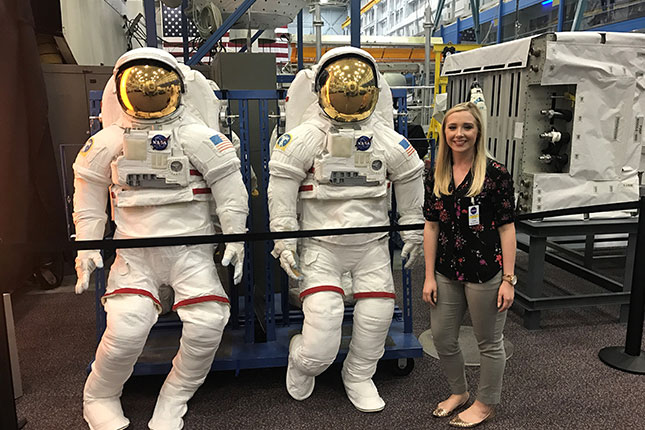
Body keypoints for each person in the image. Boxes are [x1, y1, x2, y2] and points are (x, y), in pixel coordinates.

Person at [72, 47, 248, 430]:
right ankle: (99, 395)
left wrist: (236, 237)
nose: (148, 96)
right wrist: (85, 247)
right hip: (136, 254)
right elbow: (87, 194)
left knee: (208, 320)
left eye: (158, 89)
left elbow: (230, 189)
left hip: (191, 251)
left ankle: (175, 395)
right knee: (126, 326)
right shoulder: (108, 140)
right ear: (121, 90)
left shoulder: (199, 137)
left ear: (178, 89)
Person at [268, 47, 424, 412]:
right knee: (324, 321)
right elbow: (282, 187)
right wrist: (285, 239)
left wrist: (414, 233)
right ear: (322, 88)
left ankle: (358, 374)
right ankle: (305, 361)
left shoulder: (386, 139)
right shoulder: (306, 136)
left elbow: (411, 183)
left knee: (377, 316)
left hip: (372, 247)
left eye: (358, 89)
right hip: (321, 247)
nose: (350, 96)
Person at [422, 101, 516, 428]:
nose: (459, 134)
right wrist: (428, 276)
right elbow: (431, 225)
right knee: (443, 337)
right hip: (446, 270)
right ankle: (459, 392)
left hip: (485, 271)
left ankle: (486, 402)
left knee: (489, 342)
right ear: (443, 132)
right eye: (452, 127)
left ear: (478, 132)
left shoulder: (496, 173)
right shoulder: (435, 169)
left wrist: (508, 279)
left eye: (467, 127)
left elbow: (506, 227)